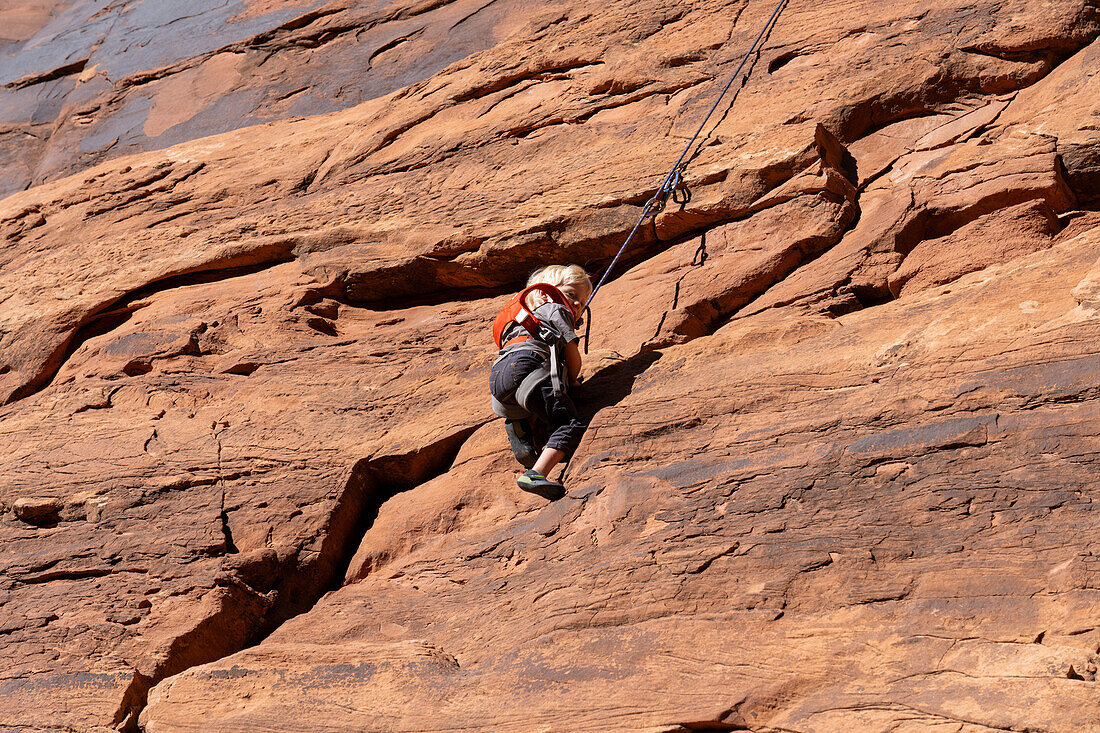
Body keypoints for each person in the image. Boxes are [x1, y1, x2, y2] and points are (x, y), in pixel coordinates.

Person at [489, 264, 592, 500]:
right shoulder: (556, 308)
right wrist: (573, 379)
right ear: (545, 292)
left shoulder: (519, 319)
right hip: (529, 366)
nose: (577, 304)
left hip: (499, 377)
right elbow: (571, 353)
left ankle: (519, 424)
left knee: (535, 399)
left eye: (583, 302)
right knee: (569, 422)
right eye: (572, 294)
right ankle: (536, 473)